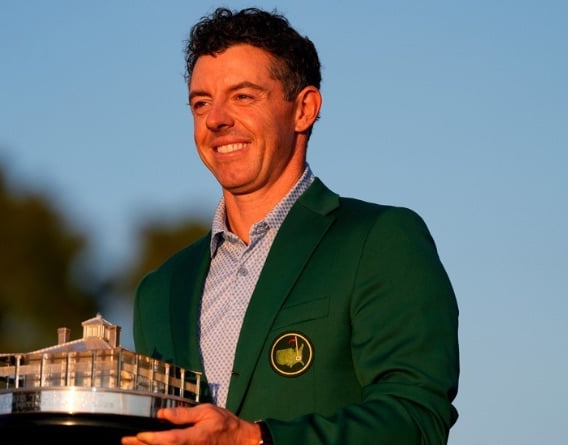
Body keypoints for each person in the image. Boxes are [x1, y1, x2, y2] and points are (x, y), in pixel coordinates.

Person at [122, 7, 459, 445]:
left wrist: (255, 440)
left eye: (243, 97)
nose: (216, 119)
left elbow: (416, 421)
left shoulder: (379, 239)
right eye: (201, 102)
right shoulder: (161, 289)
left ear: (304, 109)